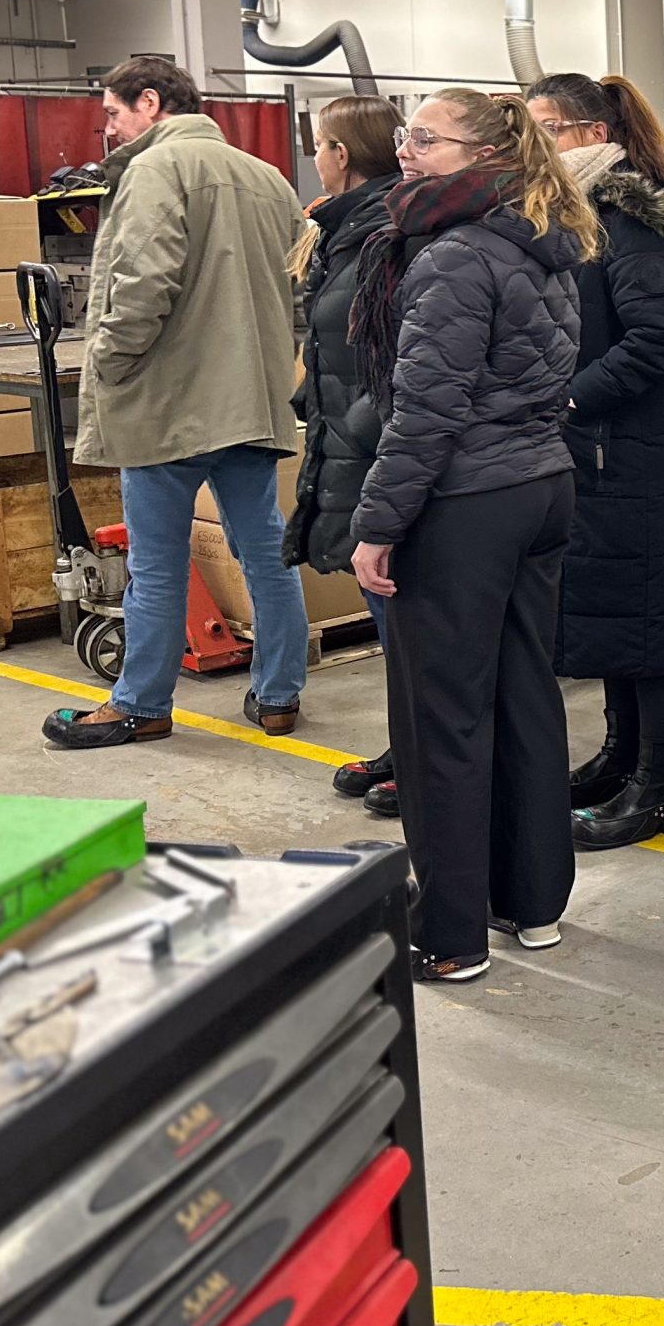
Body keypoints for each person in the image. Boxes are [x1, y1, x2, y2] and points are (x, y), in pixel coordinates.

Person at [348, 87, 597, 985]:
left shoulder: (453, 254)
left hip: (465, 502)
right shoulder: (540, 236)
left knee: (440, 719)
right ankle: (531, 905)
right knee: (525, 698)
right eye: (406, 134)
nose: (405, 150)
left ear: (478, 156)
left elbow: (426, 412)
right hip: (540, 485)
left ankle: (448, 934)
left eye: (426, 138)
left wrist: (378, 524)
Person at [43, 55, 311, 751]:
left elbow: (142, 283)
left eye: (112, 113)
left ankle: (140, 704)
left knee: (157, 564)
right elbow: (299, 285)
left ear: (151, 103)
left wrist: (108, 359)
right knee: (266, 554)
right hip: (249, 399)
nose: (107, 130)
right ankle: (280, 696)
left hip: (168, 403)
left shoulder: (156, 171)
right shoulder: (268, 177)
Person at [524, 72, 664, 851]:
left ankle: (661, 785)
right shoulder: (576, 216)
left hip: (630, 457)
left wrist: (573, 401)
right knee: (609, 613)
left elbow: (659, 340)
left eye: (545, 128)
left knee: (648, 619)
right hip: (592, 456)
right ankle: (620, 756)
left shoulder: (628, 221)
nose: (533, 145)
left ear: (587, 135)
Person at [283, 97, 409, 807]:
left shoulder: (385, 233)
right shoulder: (342, 230)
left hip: (376, 452)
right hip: (349, 444)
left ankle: (427, 761)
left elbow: (397, 357)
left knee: (407, 615)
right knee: (394, 622)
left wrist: (355, 429)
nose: (317, 158)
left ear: (344, 154)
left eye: (322, 145)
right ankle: (409, 746)